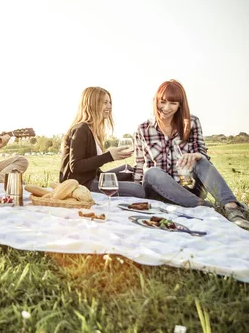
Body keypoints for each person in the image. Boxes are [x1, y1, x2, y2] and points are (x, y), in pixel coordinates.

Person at [134, 79, 248, 229]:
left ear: (180, 105)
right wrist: (135, 194)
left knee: (201, 161)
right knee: (151, 172)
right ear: (156, 101)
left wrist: (197, 155)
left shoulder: (192, 122)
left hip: (189, 186)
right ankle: (209, 208)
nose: (166, 108)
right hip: (159, 189)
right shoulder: (143, 128)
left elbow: (202, 152)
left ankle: (232, 208)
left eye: (173, 103)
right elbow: (139, 164)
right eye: (162, 102)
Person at [60, 87, 146, 197]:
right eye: (105, 102)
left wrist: (104, 173)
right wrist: (109, 156)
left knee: (130, 171)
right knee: (137, 190)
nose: (109, 106)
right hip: (80, 184)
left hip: (92, 178)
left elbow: (91, 165)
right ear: (92, 104)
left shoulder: (93, 130)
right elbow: (76, 166)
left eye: (110, 102)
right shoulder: (81, 129)